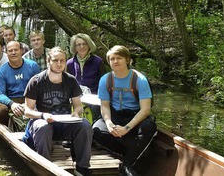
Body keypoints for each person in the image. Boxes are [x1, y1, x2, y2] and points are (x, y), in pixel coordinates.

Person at [23, 47, 92, 176]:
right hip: (42, 122)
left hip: (64, 122)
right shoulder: (36, 81)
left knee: (85, 125)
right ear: (48, 61)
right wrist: (43, 115)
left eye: (62, 61)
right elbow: (27, 111)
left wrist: (76, 113)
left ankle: (82, 167)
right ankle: (45, 167)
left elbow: (78, 106)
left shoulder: (71, 80)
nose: (59, 64)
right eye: (55, 60)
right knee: (42, 126)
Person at [92, 45, 156, 176]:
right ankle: (133, 152)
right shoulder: (105, 80)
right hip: (115, 114)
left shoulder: (140, 79)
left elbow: (145, 110)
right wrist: (109, 123)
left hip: (135, 115)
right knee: (96, 131)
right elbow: (104, 106)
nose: (115, 61)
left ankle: (126, 165)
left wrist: (127, 128)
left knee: (149, 127)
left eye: (119, 58)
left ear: (127, 60)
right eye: (112, 59)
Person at [0, 41, 40, 126]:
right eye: (10, 51)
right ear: (6, 53)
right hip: (11, 99)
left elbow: (40, 87)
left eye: (16, 50)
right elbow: (0, 94)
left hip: (30, 97)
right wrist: (12, 104)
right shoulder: (1, 72)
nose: (13, 53)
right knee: (1, 110)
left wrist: (29, 102)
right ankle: (7, 131)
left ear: (21, 51)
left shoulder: (33, 66)